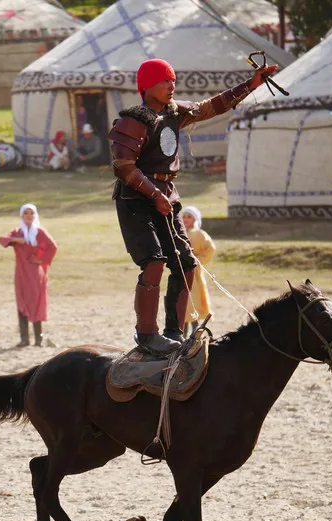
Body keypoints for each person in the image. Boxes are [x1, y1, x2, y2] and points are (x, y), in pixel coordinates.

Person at [108, 57, 277, 357]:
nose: (171, 85)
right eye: (164, 81)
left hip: (167, 197)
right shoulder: (131, 120)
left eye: (173, 80)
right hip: (136, 200)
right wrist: (153, 195)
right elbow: (123, 167)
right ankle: (147, 334)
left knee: (185, 263)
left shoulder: (175, 113)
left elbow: (214, 106)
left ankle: (173, 333)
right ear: (147, 86)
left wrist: (251, 85)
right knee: (154, 261)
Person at [0, 203, 58, 347]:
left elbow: (53, 246)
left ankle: (39, 338)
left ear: (35, 215)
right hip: (20, 273)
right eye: (26, 213)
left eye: (31, 213)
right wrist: (18, 240)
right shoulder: (17, 232)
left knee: (36, 302)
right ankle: (24, 339)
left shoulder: (39, 232)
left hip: (35, 273)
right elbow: (2, 239)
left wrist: (41, 259)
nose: (29, 216)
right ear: (21, 215)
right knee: (21, 302)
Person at [179, 206, 215, 334]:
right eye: (184, 216)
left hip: (194, 274)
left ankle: (194, 331)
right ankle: (183, 331)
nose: (186, 219)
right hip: (180, 272)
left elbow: (210, 249)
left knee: (192, 300)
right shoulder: (178, 233)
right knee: (182, 301)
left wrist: (198, 259)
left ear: (195, 219)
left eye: (189, 216)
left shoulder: (199, 234)